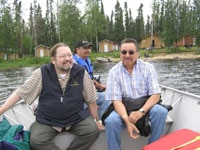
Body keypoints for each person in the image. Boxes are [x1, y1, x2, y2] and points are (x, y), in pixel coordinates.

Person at [0, 43, 103, 150]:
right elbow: (21, 93)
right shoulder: (42, 73)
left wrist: (96, 120)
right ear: (53, 60)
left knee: (92, 131)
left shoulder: (81, 72)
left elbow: (91, 98)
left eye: (69, 55)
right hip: (47, 120)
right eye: (63, 56)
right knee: (36, 141)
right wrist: (1, 109)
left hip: (76, 118)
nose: (67, 59)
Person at [104, 38, 168, 150]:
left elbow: (155, 94)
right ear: (120, 54)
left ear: (137, 53)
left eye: (131, 52)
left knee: (161, 111)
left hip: (144, 106)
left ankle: (153, 147)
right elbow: (116, 101)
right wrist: (127, 120)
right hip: (124, 108)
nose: (127, 55)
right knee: (111, 121)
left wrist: (141, 112)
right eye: (124, 52)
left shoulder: (148, 68)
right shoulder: (114, 72)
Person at [73, 40, 111, 122]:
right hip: (79, 95)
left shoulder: (87, 60)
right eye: (85, 48)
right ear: (77, 49)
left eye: (89, 48)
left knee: (108, 94)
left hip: (89, 91)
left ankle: (99, 120)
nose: (88, 50)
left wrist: (100, 86)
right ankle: (98, 120)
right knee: (107, 97)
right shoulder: (73, 62)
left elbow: (90, 78)